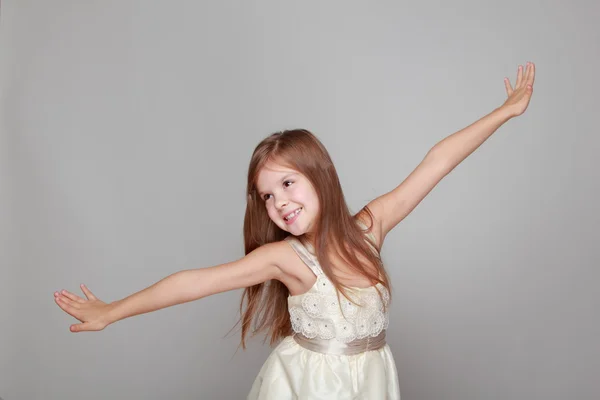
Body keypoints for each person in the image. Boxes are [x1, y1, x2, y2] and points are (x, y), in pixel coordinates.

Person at [54, 62, 536, 399]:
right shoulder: (286, 259)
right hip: (311, 388)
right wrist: (112, 311)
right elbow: (193, 282)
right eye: (267, 195)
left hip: (370, 382)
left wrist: (506, 110)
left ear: (319, 175)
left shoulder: (370, 227)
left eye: (288, 183)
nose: (280, 202)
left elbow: (437, 161)